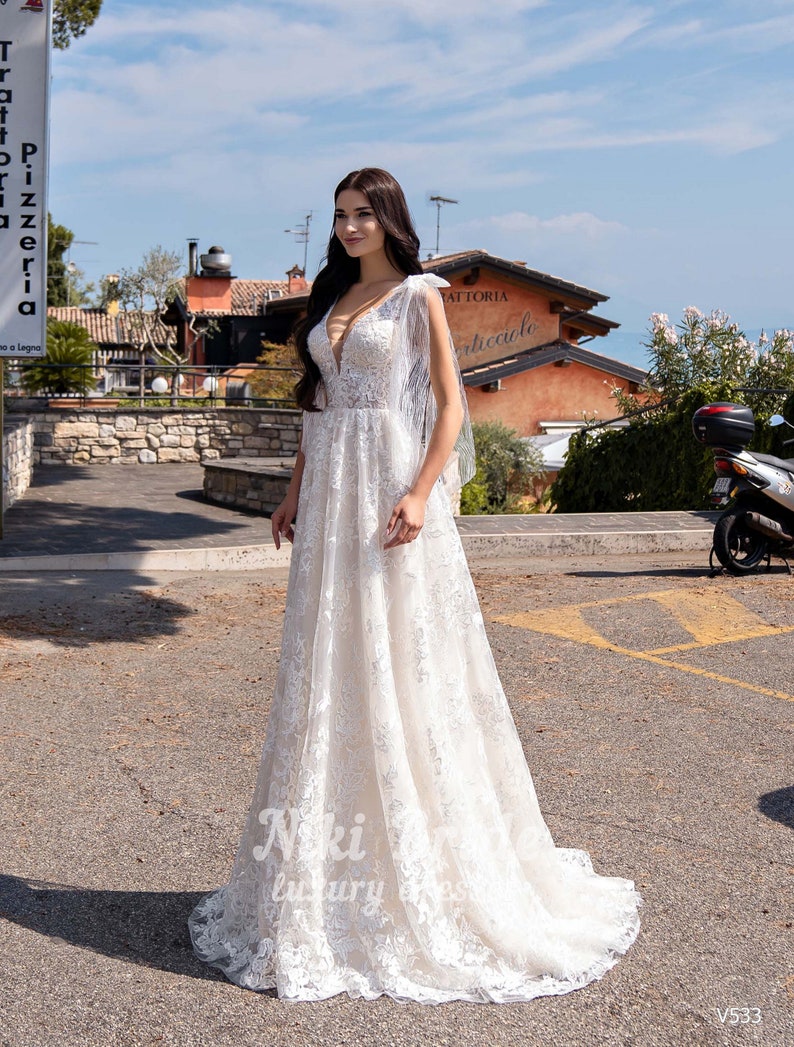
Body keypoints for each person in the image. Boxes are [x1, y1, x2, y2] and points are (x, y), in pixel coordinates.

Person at [188, 168, 641, 1005]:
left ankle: (427, 867)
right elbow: (316, 408)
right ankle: (318, 878)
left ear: (390, 220)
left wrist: (422, 490)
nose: (351, 226)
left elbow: (448, 406)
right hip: (328, 492)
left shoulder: (419, 295)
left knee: (403, 654)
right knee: (328, 661)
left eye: (364, 214)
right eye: (341, 215)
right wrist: (292, 491)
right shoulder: (329, 303)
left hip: (388, 486)